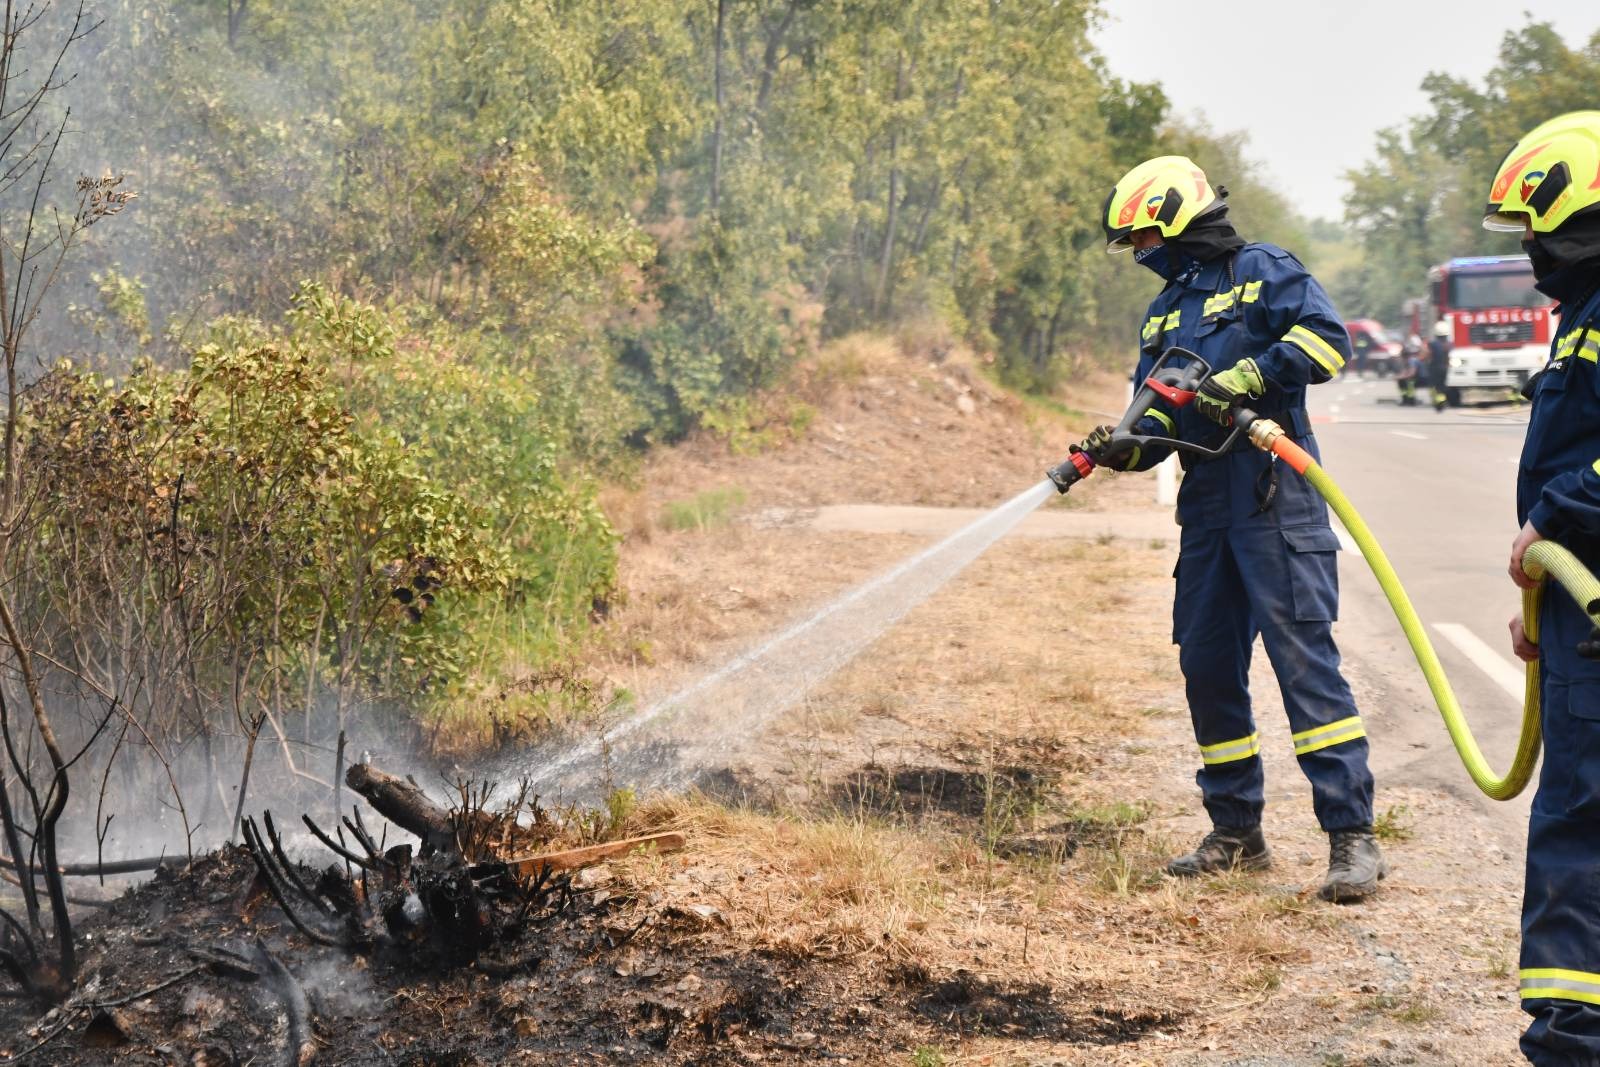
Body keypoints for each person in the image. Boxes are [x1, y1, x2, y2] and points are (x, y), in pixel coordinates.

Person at [1073, 156, 1384, 902]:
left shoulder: (1262, 269)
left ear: (1179, 217)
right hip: (1207, 508)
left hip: (1275, 497)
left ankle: (1351, 836)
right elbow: (1155, 415)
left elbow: (1326, 339)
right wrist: (1125, 445)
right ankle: (1237, 830)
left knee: (1303, 665)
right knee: (1208, 666)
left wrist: (1255, 374)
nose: (1140, 252)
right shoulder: (1163, 314)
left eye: (1145, 235)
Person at [1490, 110, 1600, 1067]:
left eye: (1542, 228)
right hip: (1575, 606)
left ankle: (1572, 1034)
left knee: (1578, 814)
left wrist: (1556, 522)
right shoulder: (1584, 319)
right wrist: (1542, 598)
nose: (1531, 249)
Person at [1426, 320, 1452, 412]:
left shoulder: (1432, 344)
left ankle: (1438, 402)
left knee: (1434, 387)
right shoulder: (1450, 344)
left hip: (1434, 368)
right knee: (1442, 386)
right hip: (1446, 368)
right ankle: (1442, 401)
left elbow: (1428, 355)